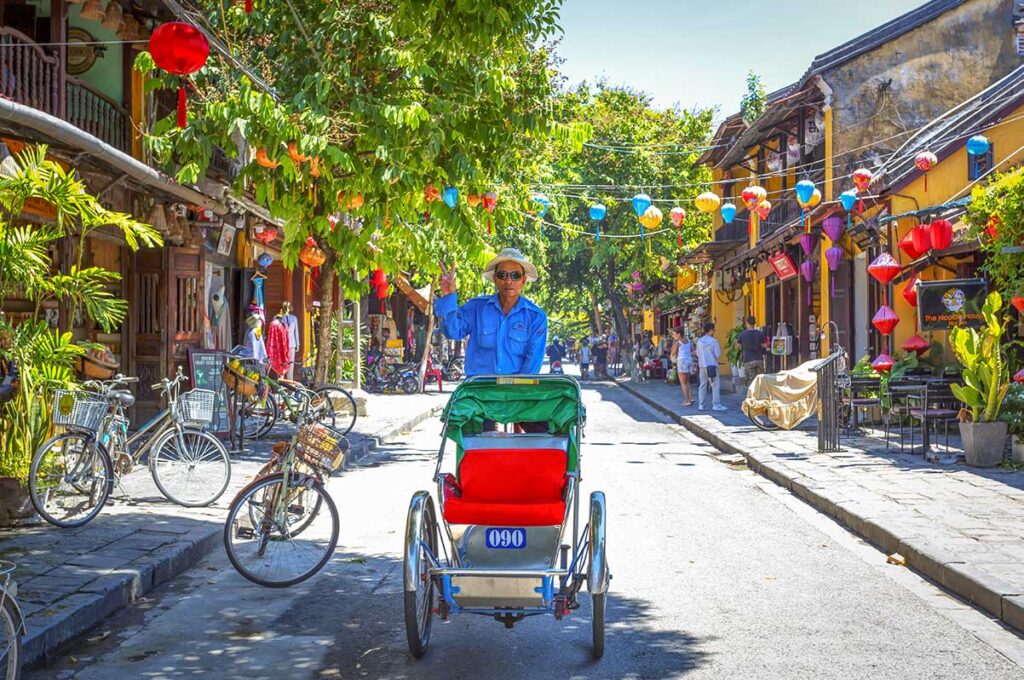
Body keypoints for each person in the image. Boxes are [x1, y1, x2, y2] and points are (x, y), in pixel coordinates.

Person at [435, 248, 547, 377]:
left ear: (524, 280)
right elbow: (453, 332)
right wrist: (449, 297)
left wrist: (517, 393)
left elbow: (531, 366)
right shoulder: (476, 307)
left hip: (515, 391)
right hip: (478, 391)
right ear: (494, 278)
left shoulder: (536, 318)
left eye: (515, 275)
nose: (509, 281)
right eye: (502, 275)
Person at [697, 322, 726, 412]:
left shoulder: (699, 341)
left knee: (702, 385)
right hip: (712, 365)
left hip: (702, 365)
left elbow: (698, 354)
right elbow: (717, 354)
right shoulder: (713, 341)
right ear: (710, 330)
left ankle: (701, 404)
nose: (714, 331)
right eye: (713, 329)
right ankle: (716, 404)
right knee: (715, 385)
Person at [735, 315, 766, 394]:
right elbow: (763, 345)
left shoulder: (742, 334)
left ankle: (752, 397)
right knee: (760, 380)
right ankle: (760, 396)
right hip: (759, 359)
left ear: (747, 323)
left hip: (748, 360)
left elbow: (737, 347)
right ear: (754, 323)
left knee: (750, 382)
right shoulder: (760, 333)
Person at [671, 326, 694, 406]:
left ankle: (687, 400)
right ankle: (690, 398)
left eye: (674, 334)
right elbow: (692, 350)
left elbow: (673, 353)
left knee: (683, 382)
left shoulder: (678, 342)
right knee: (687, 381)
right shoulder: (688, 341)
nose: (673, 336)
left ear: (679, 334)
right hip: (689, 361)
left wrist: (674, 343)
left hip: (682, 361)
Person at [266, 309, 291, 378]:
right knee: (276, 369)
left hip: (281, 349)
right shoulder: (275, 324)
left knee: (281, 366)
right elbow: (271, 338)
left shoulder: (282, 324)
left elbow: (286, 337)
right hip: (277, 349)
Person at [280, 301, 300, 379]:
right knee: (282, 364)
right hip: (282, 344)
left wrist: (297, 344)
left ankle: (290, 383)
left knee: (291, 364)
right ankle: (281, 383)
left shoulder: (294, 318)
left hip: (292, 344)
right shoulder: (279, 318)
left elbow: (296, 332)